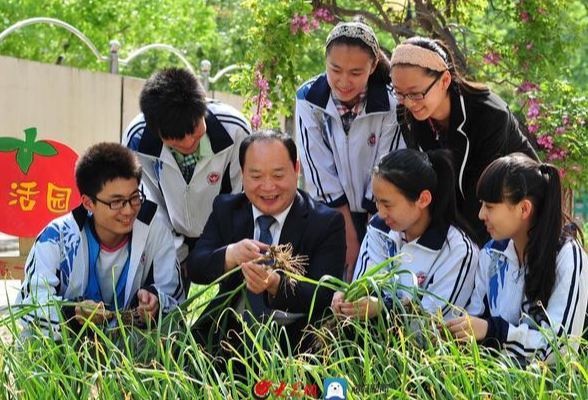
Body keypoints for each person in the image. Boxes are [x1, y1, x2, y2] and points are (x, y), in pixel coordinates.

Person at [187, 131, 346, 353]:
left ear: (296, 169)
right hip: (228, 334)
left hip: (296, 341)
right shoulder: (227, 208)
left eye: (278, 175)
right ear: (242, 174)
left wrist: (275, 284)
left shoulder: (325, 222)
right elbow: (196, 267)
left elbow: (325, 293)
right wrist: (230, 254)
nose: (268, 187)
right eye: (256, 176)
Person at [17, 143, 184, 339]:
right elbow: (30, 307)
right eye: (116, 202)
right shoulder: (56, 237)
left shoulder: (154, 231)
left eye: (134, 198)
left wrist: (155, 299)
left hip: (131, 352)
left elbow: (176, 299)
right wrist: (74, 313)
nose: (129, 210)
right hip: (65, 349)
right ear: (88, 203)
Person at [389, 36, 538, 245]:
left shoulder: (489, 114)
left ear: (444, 81)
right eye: (400, 93)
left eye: (415, 93)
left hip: (516, 216)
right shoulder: (408, 114)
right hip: (467, 225)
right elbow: (430, 180)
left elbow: (482, 197)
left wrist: (448, 249)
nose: (409, 103)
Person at [446, 153, 588, 364]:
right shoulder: (490, 253)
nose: (480, 215)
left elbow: (560, 350)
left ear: (524, 209)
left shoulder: (568, 255)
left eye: (490, 206)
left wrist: (495, 332)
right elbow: (476, 316)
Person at [123, 67, 251, 295]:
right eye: (175, 138)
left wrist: (223, 252)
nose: (187, 141)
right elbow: (149, 203)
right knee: (165, 308)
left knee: (229, 314)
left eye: (193, 130)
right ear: (156, 131)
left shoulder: (235, 130)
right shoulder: (137, 137)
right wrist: (177, 253)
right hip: (169, 232)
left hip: (225, 235)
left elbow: (242, 197)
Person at [296, 19, 405, 280]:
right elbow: (318, 170)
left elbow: (387, 168)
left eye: (356, 73)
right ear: (325, 61)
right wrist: (349, 236)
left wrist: (371, 237)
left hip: (380, 211)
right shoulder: (308, 98)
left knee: (372, 281)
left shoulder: (391, 102)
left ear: (373, 66)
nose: (344, 81)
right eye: (335, 69)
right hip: (330, 212)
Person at [332, 148, 479, 321]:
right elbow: (365, 285)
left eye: (387, 204)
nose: (380, 213)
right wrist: (348, 300)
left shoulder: (458, 251)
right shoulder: (379, 228)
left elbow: (432, 328)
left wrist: (382, 308)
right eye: (377, 202)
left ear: (423, 199)